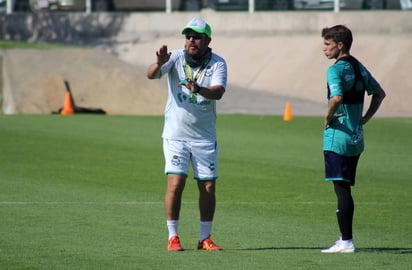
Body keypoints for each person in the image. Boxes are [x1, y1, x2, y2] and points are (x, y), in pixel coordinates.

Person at [147, 17, 227, 251]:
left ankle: (205, 238)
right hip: (176, 135)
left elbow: (218, 92)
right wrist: (158, 62)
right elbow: (151, 75)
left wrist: (198, 88)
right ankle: (173, 237)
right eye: (188, 36)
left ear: (207, 40)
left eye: (197, 36)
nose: (191, 40)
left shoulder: (218, 63)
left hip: (204, 137)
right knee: (176, 183)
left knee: (208, 187)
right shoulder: (175, 57)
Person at [320, 25, 386, 253]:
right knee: (345, 187)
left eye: (327, 44)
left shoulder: (335, 70)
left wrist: (327, 118)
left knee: (341, 188)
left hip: (338, 136)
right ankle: (344, 238)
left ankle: (346, 241)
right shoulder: (359, 67)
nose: (324, 49)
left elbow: (337, 97)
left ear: (340, 45)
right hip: (356, 138)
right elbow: (379, 93)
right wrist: (365, 118)